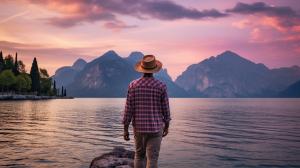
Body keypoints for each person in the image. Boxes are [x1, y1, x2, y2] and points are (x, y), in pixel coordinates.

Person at [122, 55, 171, 168]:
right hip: (156, 128)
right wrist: (167, 126)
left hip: (139, 128)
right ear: (154, 70)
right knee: (152, 158)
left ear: (142, 69)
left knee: (139, 156)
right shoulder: (161, 86)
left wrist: (125, 130)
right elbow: (166, 110)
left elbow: (128, 109)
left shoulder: (133, 85)